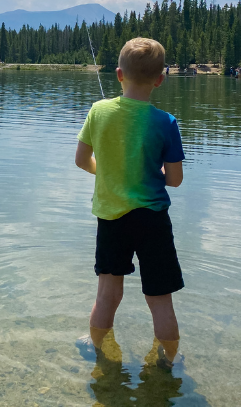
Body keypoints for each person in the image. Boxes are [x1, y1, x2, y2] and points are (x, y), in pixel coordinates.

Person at [74, 37, 185, 369]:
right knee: (159, 299)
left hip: (111, 219)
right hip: (152, 220)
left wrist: (106, 173)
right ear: (160, 79)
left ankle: (96, 349)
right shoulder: (166, 123)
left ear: (119, 74)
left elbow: (81, 160)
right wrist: (151, 173)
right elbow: (175, 179)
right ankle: (168, 359)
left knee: (107, 294)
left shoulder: (98, 111)